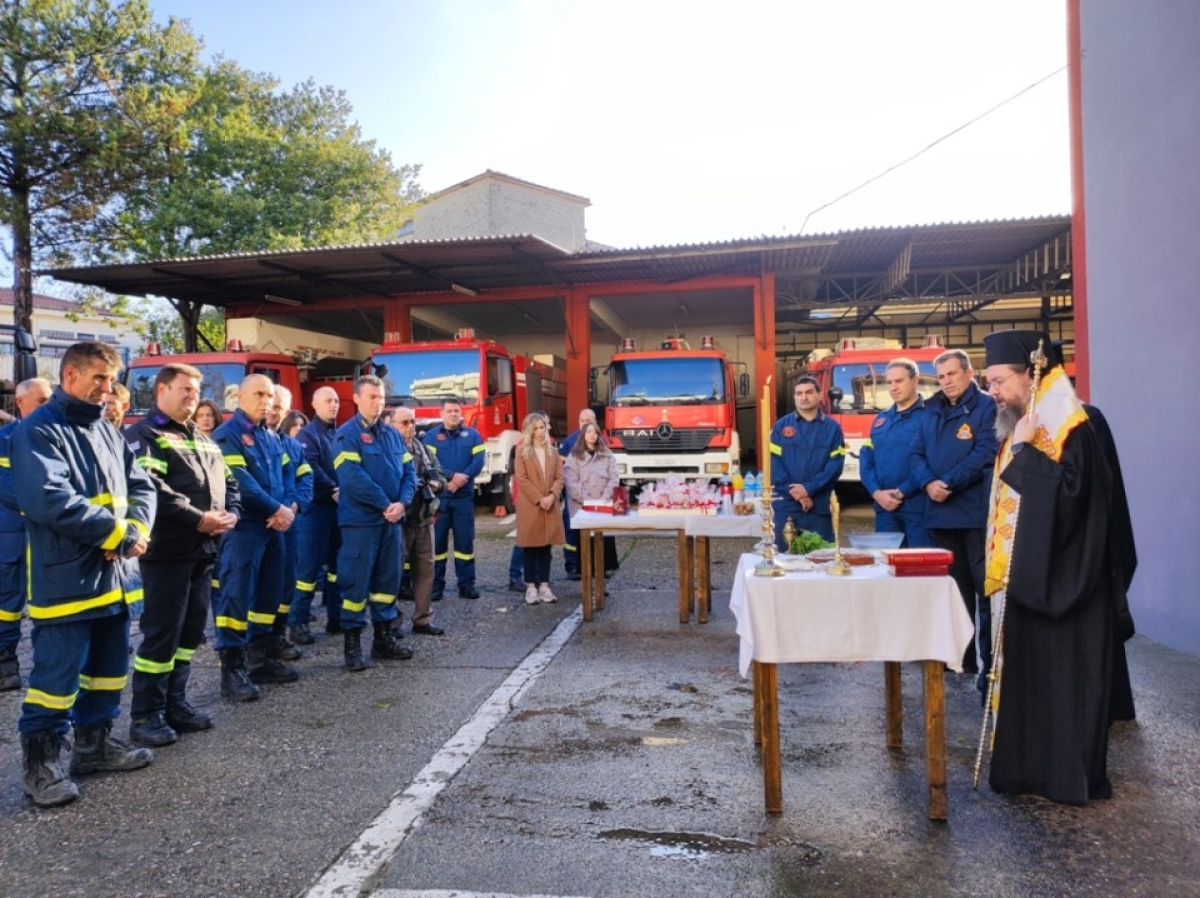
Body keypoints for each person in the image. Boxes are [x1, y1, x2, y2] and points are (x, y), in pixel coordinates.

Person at [13, 342, 157, 807]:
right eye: (98, 378)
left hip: (115, 579)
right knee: (56, 679)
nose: (106, 388)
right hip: (67, 580)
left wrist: (135, 529)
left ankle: (94, 746)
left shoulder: (109, 431)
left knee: (108, 671)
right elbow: (48, 499)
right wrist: (119, 535)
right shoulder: (38, 430)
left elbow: (141, 485)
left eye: (111, 380)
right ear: (70, 374)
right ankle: (42, 765)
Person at [982, 329, 1120, 805]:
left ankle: (1061, 776)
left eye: (999, 381)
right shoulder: (1023, 419)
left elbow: (1073, 503)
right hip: (1028, 579)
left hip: (1063, 583)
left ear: (1030, 373)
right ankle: (1027, 769)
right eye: (989, 382)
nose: (993, 392)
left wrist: (1022, 455)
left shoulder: (1072, 428)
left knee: (1064, 686)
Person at [125, 364, 240, 746]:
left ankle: (175, 703)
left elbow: (230, 482)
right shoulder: (146, 434)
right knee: (162, 634)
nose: (193, 396)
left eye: (196, 390)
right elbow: (151, 488)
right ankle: (146, 715)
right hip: (167, 553)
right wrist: (199, 519)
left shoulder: (202, 438)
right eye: (184, 389)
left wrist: (231, 513)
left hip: (202, 552)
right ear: (161, 390)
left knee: (190, 633)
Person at [911, 349, 998, 681]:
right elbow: (916, 453)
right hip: (939, 514)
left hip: (973, 515)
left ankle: (989, 667)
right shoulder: (930, 409)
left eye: (952, 374)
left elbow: (986, 452)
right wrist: (928, 482)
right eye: (942, 376)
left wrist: (948, 482)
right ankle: (960, 661)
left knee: (982, 593)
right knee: (953, 592)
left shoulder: (986, 406)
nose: (947, 381)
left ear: (969, 373)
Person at [212, 375, 299, 699]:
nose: (266, 400)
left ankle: (259, 659)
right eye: (259, 394)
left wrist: (287, 506)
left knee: (269, 593)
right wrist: (277, 508)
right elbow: (240, 483)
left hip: (274, 526)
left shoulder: (271, 437)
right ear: (241, 397)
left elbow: (288, 474)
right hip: (246, 528)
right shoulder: (228, 435)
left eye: (269, 395)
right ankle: (231, 670)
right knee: (236, 596)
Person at [332, 376, 416, 669]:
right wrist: (385, 504)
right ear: (356, 398)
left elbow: (410, 473)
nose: (378, 403)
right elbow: (353, 479)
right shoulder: (347, 434)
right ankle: (353, 646)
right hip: (362, 524)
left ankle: (383, 639)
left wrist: (402, 503)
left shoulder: (392, 434)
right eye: (371, 397)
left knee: (387, 582)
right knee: (355, 585)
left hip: (391, 522)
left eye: (381, 398)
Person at [0, 377, 52, 691]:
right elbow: (7, 487)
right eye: (42, 400)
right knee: (8, 601)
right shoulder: (5, 438)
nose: (49, 406)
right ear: (21, 403)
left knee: (50, 601)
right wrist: (53, 509)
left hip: (49, 534)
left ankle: (49, 665)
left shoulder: (59, 437)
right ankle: (6, 661)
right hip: (14, 533)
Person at [289, 386, 342, 644]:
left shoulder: (340, 433)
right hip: (316, 509)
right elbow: (309, 465)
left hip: (339, 509)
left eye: (336, 401)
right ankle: (297, 622)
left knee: (336, 568)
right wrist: (332, 487)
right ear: (315, 404)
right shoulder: (308, 434)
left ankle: (336, 617)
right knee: (308, 569)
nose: (333, 405)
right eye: (328, 401)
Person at [858, 359, 930, 547]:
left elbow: (933, 462)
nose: (893, 387)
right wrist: (875, 492)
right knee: (887, 567)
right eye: (889, 382)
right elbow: (866, 459)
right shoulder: (881, 419)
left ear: (915, 381)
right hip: (884, 510)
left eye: (899, 381)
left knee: (919, 567)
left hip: (917, 508)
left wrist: (902, 492)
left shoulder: (929, 416)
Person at [769, 376, 846, 547]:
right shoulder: (781, 427)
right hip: (787, 505)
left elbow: (835, 466)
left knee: (821, 559)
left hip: (818, 506)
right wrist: (796, 492)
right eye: (799, 393)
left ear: (819, 395)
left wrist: (808, 489)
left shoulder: (833, 429)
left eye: (809, 392)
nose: (804, 397)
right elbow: (773, 464)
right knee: (785, 560)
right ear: (794, 397)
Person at [266, 385, 311, 664]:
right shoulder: (251, 439)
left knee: (285, 585)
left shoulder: (293, 446)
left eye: (280, 408)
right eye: (272, 405)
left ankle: (277, 636)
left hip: (290, 523)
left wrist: (292, 508)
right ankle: (256, 644)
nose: (274, 411)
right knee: (260, 589)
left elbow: (305, 479)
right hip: (264, 523)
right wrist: (276, 510)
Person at [423, 397, 484, 600]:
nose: (453, 414)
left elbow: (478, 461)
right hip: (441, 498)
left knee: (465, 545)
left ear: (461, 413)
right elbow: (430, 464)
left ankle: (467, 585)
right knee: (437, 545)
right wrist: (451, 476)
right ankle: (436, 586)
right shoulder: (431, 437)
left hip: (464, 498)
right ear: (442, 414)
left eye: (456, 411)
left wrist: (462, 478)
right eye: (449, 411)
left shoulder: (473, 435)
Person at [394, 407, 447, 636]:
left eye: (412, 422)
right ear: (393, 424)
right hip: (400, 521)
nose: (410, 427)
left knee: (425, 571)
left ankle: (423, 619)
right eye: (404, 422)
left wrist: (435, 484)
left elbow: (440, 474)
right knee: (393, 573)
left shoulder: (422, 448)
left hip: (423, 518)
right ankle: (391, 623)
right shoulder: (389, 449)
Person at [514, 413, 565, 605]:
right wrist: (540, 498)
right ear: (528, 430)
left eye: (542, 427)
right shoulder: (521, 451)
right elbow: (522, 479)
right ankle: (531, 587)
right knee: (530, 547)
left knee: (546, 547)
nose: (539, 432)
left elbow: (560, 477)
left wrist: (552, 495)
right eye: (535, 428)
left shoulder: (553, 452)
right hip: (530, 505)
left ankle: (544, 585)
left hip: (549, 504)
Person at [563, 421, 621, 577]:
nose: (592, 435)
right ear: (583, 434)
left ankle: (602, 581)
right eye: (588, 431)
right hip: (583, 509)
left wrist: (604, 497)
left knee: (604, 545)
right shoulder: (574, 456)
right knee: (586, 548)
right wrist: (587, 501)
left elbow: (614, 477)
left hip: (604, 506)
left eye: (595, 432)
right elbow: (571, 481)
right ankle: (588, 585)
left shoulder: (607, 454)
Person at [558, 408, 598, 579]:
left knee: (596, 529)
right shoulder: (569, 442)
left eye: (587, 421)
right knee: (571, 529)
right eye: (581, 421)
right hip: (574, 494)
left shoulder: (600, 441)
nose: (583, 424)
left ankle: (598, 565)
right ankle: (572, 566)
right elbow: (562, 469)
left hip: (595, 493)